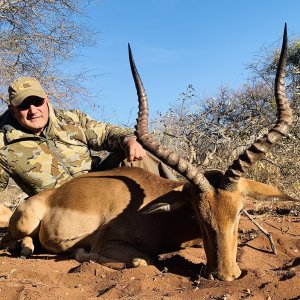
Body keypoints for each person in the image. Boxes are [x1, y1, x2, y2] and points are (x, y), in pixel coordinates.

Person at [0, 77, 176, 196]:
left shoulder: (72, 119)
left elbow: (107, 133)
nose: (33, 110)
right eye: (24, 105)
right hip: (59, 205)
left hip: (97, 184)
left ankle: (188, 211)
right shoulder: (3, 145)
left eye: (37, 102)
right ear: (12, 109)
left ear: (46, 100)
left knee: (139, 154)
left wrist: (129, 140)